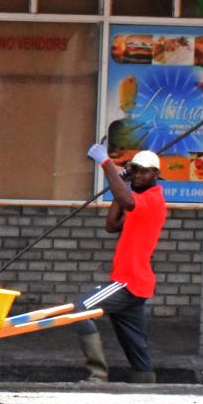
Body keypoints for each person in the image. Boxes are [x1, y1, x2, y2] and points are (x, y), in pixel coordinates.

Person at [80, 145, 167, 384]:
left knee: (80, 310)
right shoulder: (137, 201)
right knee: (133, 340)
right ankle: (144, 377)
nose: (138, 175)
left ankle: (97, 374)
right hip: (136, 282)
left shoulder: (153, 200)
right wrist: (121, 183)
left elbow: (127, 202)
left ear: (156, 176)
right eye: (134, 171)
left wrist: (106, 163)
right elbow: (111, 224)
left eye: (145, 172)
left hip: (129, 281)